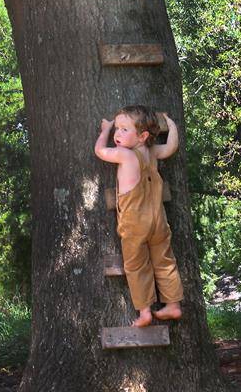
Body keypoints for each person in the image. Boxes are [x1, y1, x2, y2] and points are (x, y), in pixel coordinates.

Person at [94, 106, 184, 327]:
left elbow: (99, 151)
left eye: (125, 130)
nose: (118, 134)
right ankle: (173, 304)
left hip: (135, 222)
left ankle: (145, 311)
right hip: (158, 220)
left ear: (142, 136)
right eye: (116, 129)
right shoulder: (151, 152)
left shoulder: (124, 155)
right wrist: (172, 127)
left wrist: (104, 131)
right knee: (164, 261)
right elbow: (170, 148)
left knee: (136, 266)